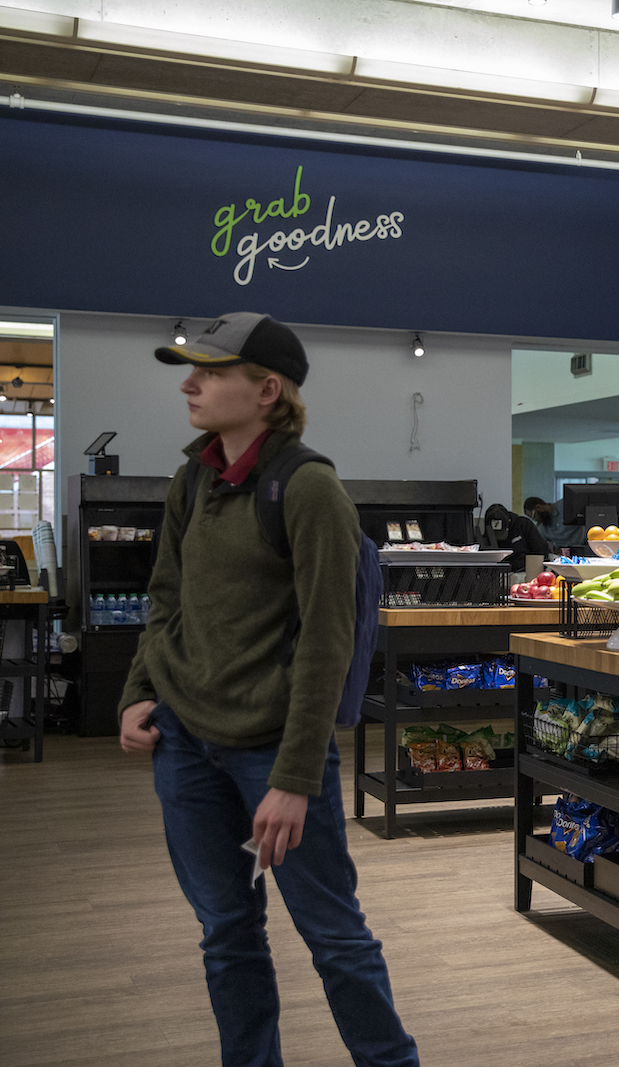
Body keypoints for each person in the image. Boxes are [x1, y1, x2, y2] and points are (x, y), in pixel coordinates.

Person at [117, 312, 419, 1067]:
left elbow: (328, 641)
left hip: (275, 755)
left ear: (267, 390)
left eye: (212, 372)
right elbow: (167, 597)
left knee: (334, 937)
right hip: (186, 744)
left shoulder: (309, 488)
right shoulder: (193, 477)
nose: (190, 384)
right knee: (226, 933)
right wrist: (136, 690)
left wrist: (291, 779)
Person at [483, 501, 549, 580]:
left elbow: (540, 552)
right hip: (501, 573)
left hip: (525, 571)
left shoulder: (524, 525)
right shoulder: (486, 535)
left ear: (509, 521)